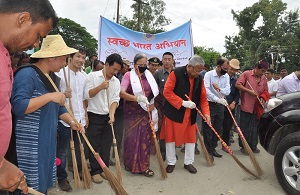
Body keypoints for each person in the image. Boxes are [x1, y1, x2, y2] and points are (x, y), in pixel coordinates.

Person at [11, 35, 83, 194]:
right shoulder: (27, 75)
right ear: (51, 58)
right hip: (30, 142)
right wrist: (50, 96)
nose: (65, 63)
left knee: (42, 180)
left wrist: (72, 122)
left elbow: (59, 108)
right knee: (27, 182)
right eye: (63, 59)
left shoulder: (53, 78)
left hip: (47, 138)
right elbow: (18, 106)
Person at [0, 0, 58, 193]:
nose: (35, 44)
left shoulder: (4, 54)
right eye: (38, 36)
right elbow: (19, 105)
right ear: (23, 19)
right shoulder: (27, 73)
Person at [160, 55, 210, 174]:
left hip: (191, 114)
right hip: (174, 112)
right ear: (190, 67)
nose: (199, 73)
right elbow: (167, 92)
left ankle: (188, 162)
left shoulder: (199, 79)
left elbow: (203, 98)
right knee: (170, 138)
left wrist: (207, 113)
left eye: (201, 71)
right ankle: (171, 162)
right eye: (197, 71)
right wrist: (182, 102)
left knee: (191, 139)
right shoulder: (175, 73)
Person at [84, 53, 123, 184]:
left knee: (106, 145)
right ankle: (94, 171)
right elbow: (87, 95)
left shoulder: (116, 81)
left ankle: (103, 168)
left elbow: (115, 99)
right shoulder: (92, 76)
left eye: (117, 70)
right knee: (94, 144)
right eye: (114, 69)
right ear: (106, 65)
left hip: (108, 116)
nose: (115, 72)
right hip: (94, 115)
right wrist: (100, 87)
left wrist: (112, 113)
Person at [120, 53, 159, 177]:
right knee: (131, 139)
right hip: (132, 113)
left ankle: (144, 166)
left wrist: (152, 106)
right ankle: (130, 163)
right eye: (139, 64)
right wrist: (137, 98)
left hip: (146, 112)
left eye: (144, 64)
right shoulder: (128, 75)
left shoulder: (150, 77)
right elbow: (121, 93)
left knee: (144, 140)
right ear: (134, 64)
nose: (142, 67)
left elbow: (156, 94)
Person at [56, 46, 88, 192]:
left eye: (83, 58)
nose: (81, 60)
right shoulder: (60, 74)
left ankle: (79, 170)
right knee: (62, 152)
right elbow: (52, 97)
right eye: (78, 56)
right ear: (70, 57)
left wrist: (85, 114)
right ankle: (62, 178)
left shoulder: (83, 76)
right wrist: (63, 94)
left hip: (80, 119)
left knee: (80, 148)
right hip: (64, 120)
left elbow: (83, 99)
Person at [235, 60, 270, 154]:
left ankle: (253, 146)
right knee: (245, 128)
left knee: (255, 128)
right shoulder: (246, 74)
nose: (263, 73)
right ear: (257, 68)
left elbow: (266, 91)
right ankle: (244, 147)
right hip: (246, 106)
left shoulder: (263, 78)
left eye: (264, 71)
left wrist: (263, 97)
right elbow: (238, 84)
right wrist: (248, 91)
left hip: (257, 107)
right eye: (262, 71)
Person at [203, 57, 230, 159]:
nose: (226, 71)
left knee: (218, 128)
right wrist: (216, 99)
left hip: (220, 105)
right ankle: (208, 150)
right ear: (218, 66)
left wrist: (219, 89)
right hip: (209, 104)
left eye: (227, 69)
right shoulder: (208, 75)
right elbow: (206, 90)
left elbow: (227, 91)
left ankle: (213, 148)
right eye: (225, 68)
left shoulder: (226, 76)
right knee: (208, 128)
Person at [153, 52, 174, 161]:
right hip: (161, 106)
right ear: (162, 60)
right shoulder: (158, 74)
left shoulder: (177, 73)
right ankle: (163, 151)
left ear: (172, 61)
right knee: (162, 128)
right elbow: (154, 90)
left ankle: (172, 151)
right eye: (165, 59)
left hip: (175, 106)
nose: (166, 61)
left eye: (169, 59)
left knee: (172, 129)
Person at [221, 59, 240, 152]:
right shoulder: (221, 77)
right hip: (220, 105)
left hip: (230, 106)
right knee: (217, 125)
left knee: (227, 126)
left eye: (234, 70)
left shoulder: (236, 81)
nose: (232, 71)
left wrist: (234, 103)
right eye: (231, 69)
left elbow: (237, 94)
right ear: (227, 68)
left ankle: (225, 143)